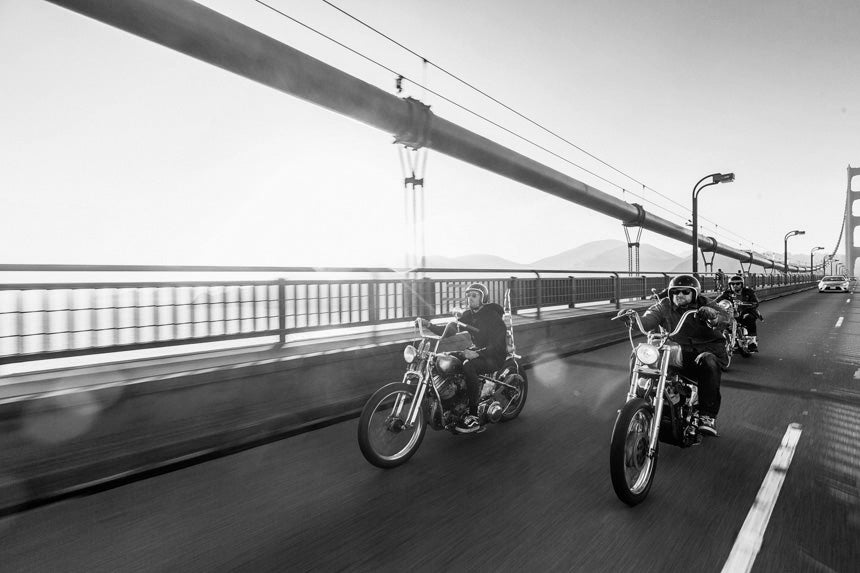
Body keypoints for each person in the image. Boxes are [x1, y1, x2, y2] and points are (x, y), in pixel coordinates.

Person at [622, 274, 729, 437]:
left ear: (694, 293)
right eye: (675, 292)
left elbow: (725, 317)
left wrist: (713, 316)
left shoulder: (705, 304)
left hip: (700, 353)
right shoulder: (664, 305)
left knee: (708, 360)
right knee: (638, 352)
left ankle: (707, 416)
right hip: (672, 351)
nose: (679, 295)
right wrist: (633, 320)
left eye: (685, 292)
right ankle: (634, 399)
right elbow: (649, 319)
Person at [418, 283, 506, 434]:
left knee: (468, 366)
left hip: (494, 355)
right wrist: (428, 325)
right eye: (468, 295)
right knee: (447, 358)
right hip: (477, 351)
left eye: (474, 295)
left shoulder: (492, 316)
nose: (470, 298)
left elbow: (498, 344)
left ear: (482, 298)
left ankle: (473, 414)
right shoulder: (468, 315)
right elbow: (447, 331)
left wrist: (478, 353)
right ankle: (452, 401)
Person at [715, 274, 761, 352]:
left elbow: (755, 302)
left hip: (745, 311)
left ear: (742, 284)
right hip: (730, 313)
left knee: (749, 317)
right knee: (718, 321)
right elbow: (716, 301)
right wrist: (711, 304)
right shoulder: (726, 293)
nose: (735, 285)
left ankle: (752, 341)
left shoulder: (748, 292)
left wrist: (747, 303)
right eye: (732, 284)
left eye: (737, 284)